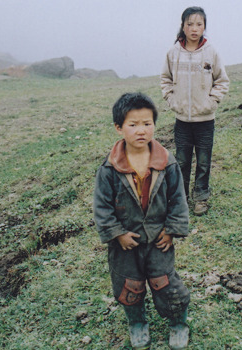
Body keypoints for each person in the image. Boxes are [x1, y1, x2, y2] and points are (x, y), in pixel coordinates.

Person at [93, 92, 191, 350]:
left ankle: (178, 323)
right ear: (119, 127)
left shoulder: (167, 163)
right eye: (133, 124)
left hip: (159, 240)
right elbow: (101, 207)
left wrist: (171, 230)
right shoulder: (109, 169)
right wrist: (116, 233)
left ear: (155, 125)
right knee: (129, 287)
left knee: (166, 284)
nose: (141, 131)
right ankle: (137, 323)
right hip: (126, 243)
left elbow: (178, 199)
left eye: (147, 124)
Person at [161, 6, 230, 216]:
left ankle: (201, 197)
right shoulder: (173, 53)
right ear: (183, 26)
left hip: (205, 121)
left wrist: (211, 102)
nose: (194, 28)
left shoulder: (211, 52)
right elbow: (165, 79)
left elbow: (222, 81)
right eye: (190, 24)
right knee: (181, 161)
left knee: (203, 161)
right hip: (182, 120)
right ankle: (181, 199)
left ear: (204, 27)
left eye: (199, 24)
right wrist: (172, 100)